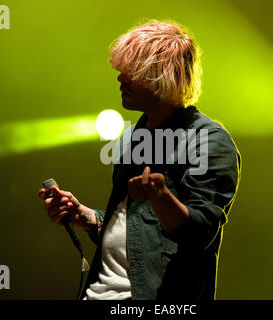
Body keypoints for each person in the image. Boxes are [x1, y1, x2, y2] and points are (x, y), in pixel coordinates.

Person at [38, 20, 241, 300]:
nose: (120, 78)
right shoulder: (133, 136)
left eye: (132, 71)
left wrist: (161, 197)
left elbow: (199, 234)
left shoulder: (208, 140)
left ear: (163, 77)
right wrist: (88, 217)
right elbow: (134, 226)